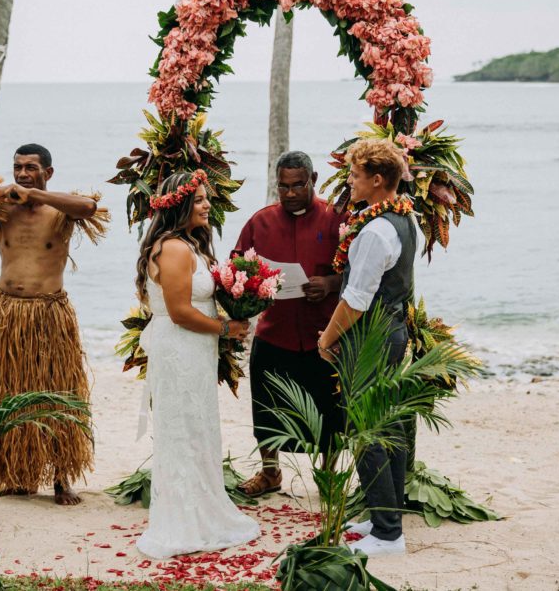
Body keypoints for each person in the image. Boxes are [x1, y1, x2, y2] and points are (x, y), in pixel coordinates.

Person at [0, 143, 109, 505]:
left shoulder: (60, 210)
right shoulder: (0, 207)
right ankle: (15, 476)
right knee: (5, 396)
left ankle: (62, 479)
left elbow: (89, 208)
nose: (23, 173)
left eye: (31, 167)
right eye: (18, 167)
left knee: (59, 396)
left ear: (48, 172)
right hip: (5, 314)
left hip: (48, 315)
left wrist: (35, 194)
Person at [134, 169, 260, 558]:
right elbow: (179, 312)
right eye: (201, 199)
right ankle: (184, 521)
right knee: (184, 430)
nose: (208, 205)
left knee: (196, 428)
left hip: (194, 349)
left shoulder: (186, 244)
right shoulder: (172, 248)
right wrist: (227, 328)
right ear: (182, 205)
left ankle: (202, 510)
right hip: (181, 347)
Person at [317, 139, 416, 557]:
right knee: (387, 428)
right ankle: (383, 516)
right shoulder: (407, 220)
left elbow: (356, 300)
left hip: (372, 337)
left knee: (366, 432)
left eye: (355, 175)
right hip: (394, 331)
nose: (349, 181)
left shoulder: (376, 231)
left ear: (377, 180)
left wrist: (327, 338)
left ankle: (388, 534)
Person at [232, 151, 345, 497]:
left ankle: (328, 477)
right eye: (283, 186)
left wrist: (329, 284)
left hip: (323, 335)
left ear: (312, 180)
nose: (290, 193)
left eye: (298, 185)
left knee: (330, 411)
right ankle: (270, 474)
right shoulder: (260, 222)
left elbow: (359, 272)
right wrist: (254, 285)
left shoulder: (335, 218)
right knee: (267, 408)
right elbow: (236, 266)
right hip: (274, 334)